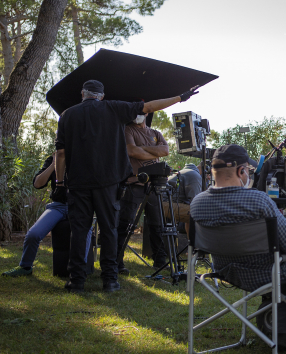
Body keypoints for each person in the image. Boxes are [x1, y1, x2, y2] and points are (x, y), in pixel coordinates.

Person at [190, 145, 286, 352]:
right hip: (269, 273)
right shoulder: (258, 200)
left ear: (212, 171)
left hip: (227, 272)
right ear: (241, 171)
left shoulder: (197, 203)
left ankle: (284, 330)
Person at [55, 79, 199, 293]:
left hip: (78, 183)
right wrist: (180, 98)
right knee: (110, 230)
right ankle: (110, 280)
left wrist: (59, 183)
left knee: (79, 231)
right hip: (109, 183)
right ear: (101, 96)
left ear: (82, 93)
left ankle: (76, 281)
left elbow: (60, 152)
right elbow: (149, 106)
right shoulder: (114, 108)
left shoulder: (67, 114)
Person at [1, 153, 91, 277]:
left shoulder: (83, 157)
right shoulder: (52, 159)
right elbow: (37, 184)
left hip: (78, 207)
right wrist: (54, 165)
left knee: (86, 232)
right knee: (33, 234)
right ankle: (25, 266)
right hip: (57, 206)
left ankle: (80, 270)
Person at [116, 115, 169, 275]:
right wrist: (154, 152)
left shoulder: (155, 133)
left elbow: (165, 150)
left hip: (155, 184)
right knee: (125, 224)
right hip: (134, 183)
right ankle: (117, 261)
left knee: (157, 225)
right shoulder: (127, 130)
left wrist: (142, 150)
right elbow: (131, 150)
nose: (138, 115)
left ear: (146, 114)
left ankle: (160, 262)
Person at [162, 162, 203, 236]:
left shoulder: (184, 172)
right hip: (166, 205)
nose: (209, 177)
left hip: (163, 204)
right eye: (209, 175)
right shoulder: (194, 175)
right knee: (199, 212)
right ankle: (196, 244)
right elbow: (195, 201)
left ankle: (191, 242)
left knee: (192, 212)